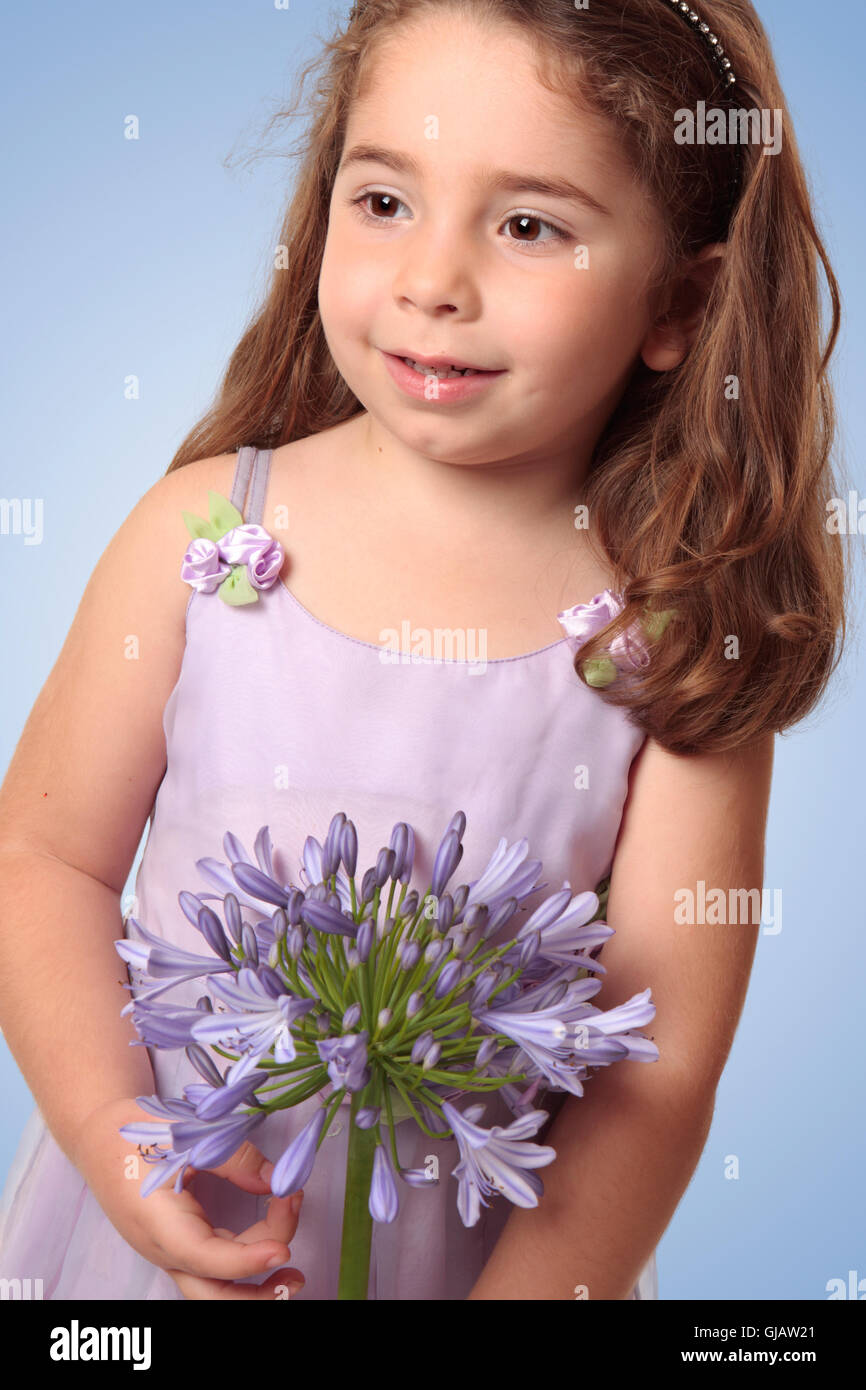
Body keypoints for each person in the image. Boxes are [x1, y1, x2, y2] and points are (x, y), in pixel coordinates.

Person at [0, 0, 847, 1300]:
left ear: (678, 302)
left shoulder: (665, 640)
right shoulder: (206, 533)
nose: (431, 279)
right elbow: (41, 859)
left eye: (526, 225)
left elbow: (654, 1069)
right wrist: (135, 1162)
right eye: (384, 200)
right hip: (158, 1252)